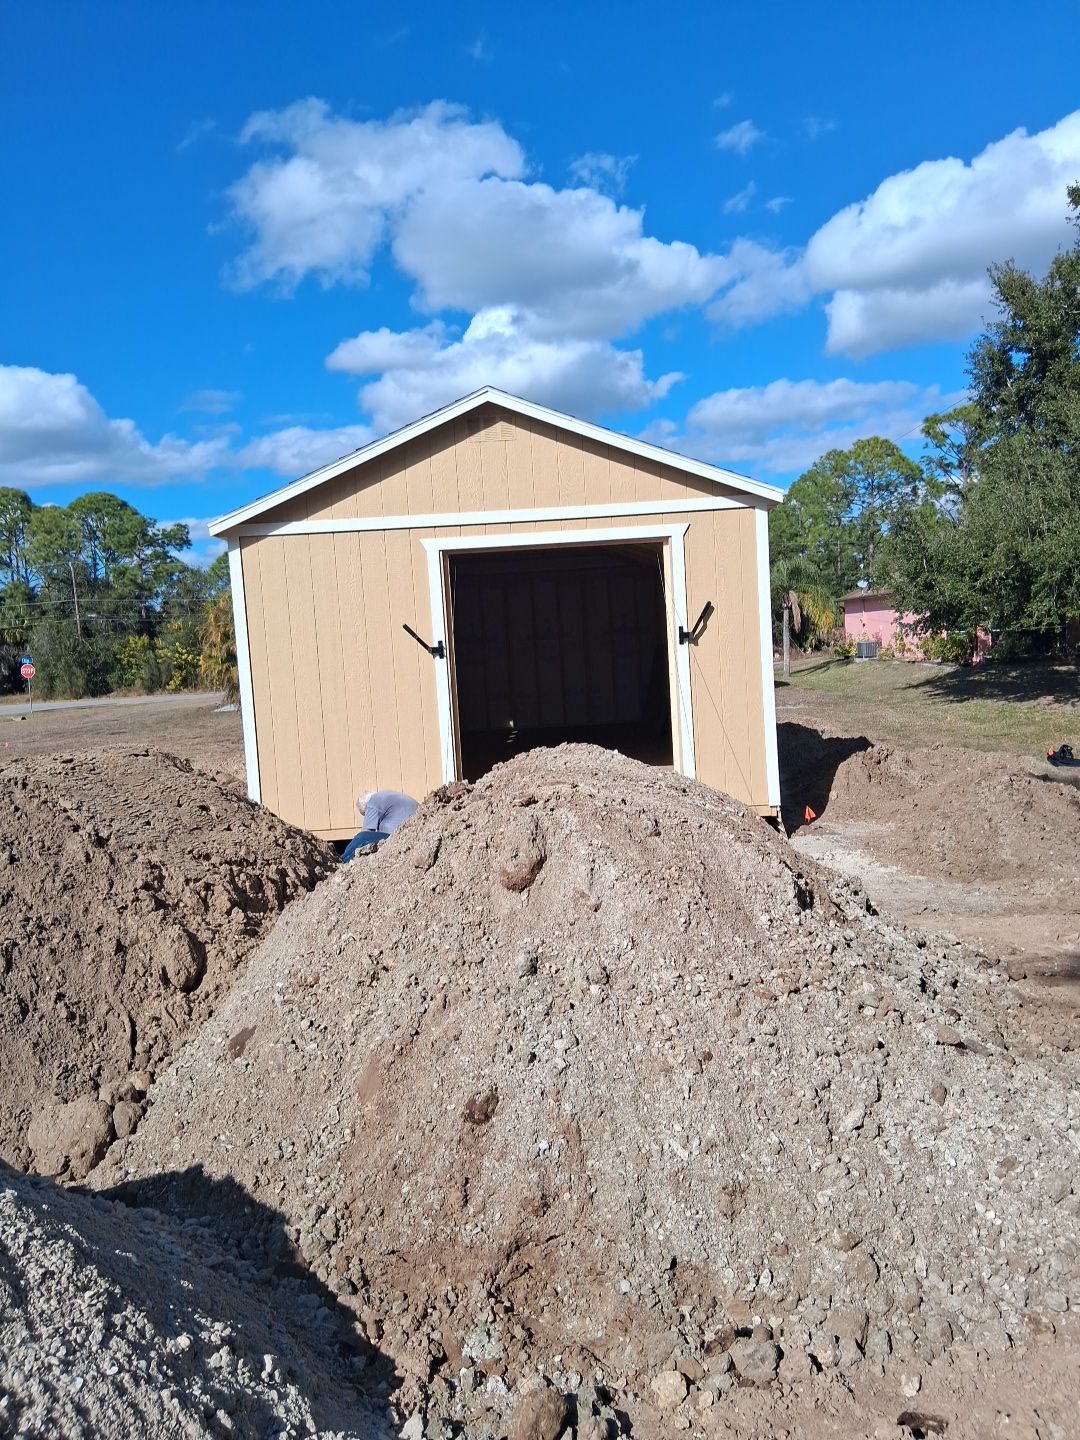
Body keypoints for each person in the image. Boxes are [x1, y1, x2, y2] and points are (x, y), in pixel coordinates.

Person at [341, 789, 418, 862]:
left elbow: (366, 832)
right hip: (416, 832)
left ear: (365, 808)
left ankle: (343, 859)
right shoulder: (385, 796)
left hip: (399, 836)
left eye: (366, 814)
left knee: (362, 837)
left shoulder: (372, 803)